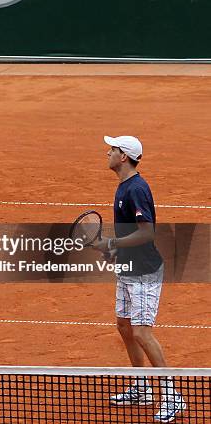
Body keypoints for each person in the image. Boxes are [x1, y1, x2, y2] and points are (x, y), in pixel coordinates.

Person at [94, 136, 185, 423]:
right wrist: (115, 250)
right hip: (128, 267)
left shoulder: (137, 190)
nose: (107, 152)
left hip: (144, 272)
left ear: (123, 157)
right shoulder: (124, 187)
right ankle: (141, 387)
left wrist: (115, 243)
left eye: (113, 149)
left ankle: (173, 396)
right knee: (124, 326)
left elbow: (148, 232)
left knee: (142, 333)